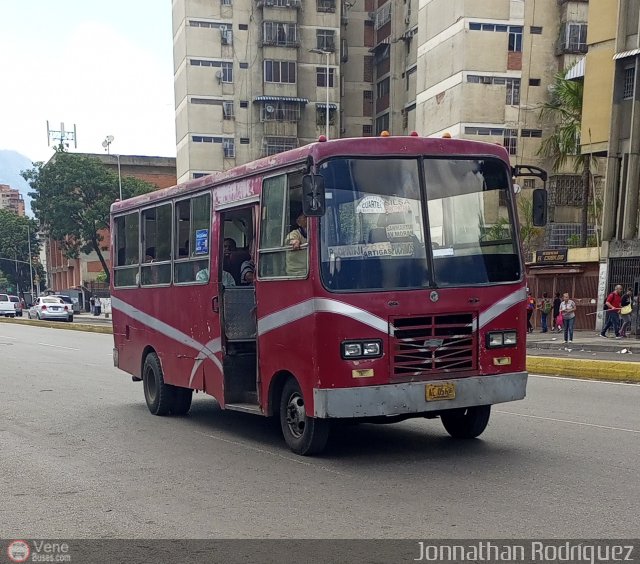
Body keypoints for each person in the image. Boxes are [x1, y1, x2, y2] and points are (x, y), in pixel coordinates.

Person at [285, 212, 308, 276]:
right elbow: (289, 241)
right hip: (296, 273)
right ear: (298, 221)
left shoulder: (315, 234)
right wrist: (294, 241)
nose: (308, 219)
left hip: (309, 270)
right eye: (305, 217)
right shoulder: (295, 233)